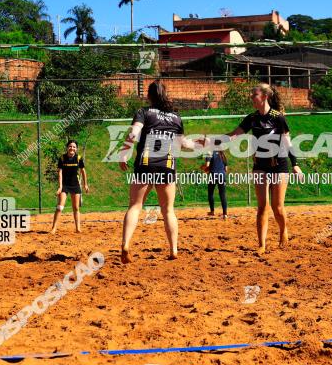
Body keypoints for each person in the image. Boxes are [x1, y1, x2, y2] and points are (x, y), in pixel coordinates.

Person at [206, 83, 303, 254]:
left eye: (254, 95)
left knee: (277, 207)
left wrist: (295, 164)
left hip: (279, 165)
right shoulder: (252, 118)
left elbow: (288, 142)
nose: (251, 98)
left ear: (264, 96)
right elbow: (234, 134)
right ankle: (261, 244)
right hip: (260, 165)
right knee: (262, 206)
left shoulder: (278, 117)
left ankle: (283, 232)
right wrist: (214, 140)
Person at [118, 80, 196, 262]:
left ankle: (126, 245)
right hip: (166, 166)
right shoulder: (176, 117)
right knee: (168, 210)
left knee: (135, 206)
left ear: (149, 96)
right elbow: (184, 144)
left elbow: (134, 133)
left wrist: (124, 152)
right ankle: (173, 250)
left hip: (146, 163)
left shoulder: (144, 112)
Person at [50, 140, 89, 234]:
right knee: (60, 207)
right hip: (64, 185)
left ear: (76, 149)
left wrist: (85, 185)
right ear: (67, 147)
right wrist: (60, 187)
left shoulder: (79, 158)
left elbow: (83, 171)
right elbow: (59, 172)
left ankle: (78, 228)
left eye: (74, 147)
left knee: (76, 208)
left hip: (75, 185)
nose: (72, 148)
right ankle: (54, 228)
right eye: (70, 146)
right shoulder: (62, 158)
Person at [202, 149, 228, 219]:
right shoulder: (223, 154)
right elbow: (226, 169)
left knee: (210, 193)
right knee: (222, 194)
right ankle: (225, 214)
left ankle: (212, 211)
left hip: (213, 175)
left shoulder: (209, 152)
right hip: (222, 175)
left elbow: (207, 165)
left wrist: (203, 168)